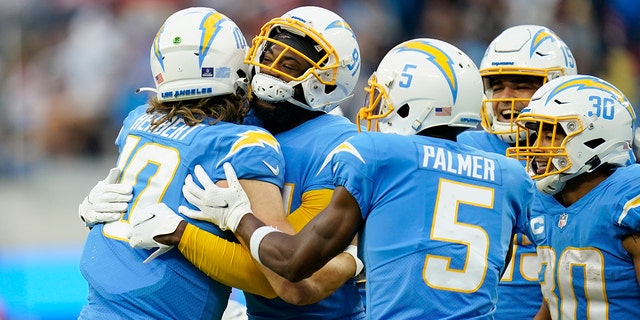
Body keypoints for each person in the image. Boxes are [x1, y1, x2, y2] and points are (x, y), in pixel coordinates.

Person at [180, 38, 535, 319]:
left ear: (415, 103)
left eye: (386, 97)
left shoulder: (378, 154)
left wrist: (237, 217)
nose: (378, 108)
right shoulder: (510, 173)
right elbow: (495, 267)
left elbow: (292, 264)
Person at [80, 5, 366, 319]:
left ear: (326, 83)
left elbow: (291, 277)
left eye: (290, 65)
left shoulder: (336, 148)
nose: (269, 72)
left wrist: (193, 233)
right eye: (268, 57)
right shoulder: (242, 120)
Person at [456, 25, 577, 319]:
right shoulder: (461, 147)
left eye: (521, 84)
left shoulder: (584, 157)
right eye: (497, 86)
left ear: (559, 87)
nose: (504, 97)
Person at [504, 74, 640, 319]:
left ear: (594, 138)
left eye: (551, 135)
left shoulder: (627, 198)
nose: (536, 147)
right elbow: (557, 301)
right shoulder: (542, 204)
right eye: (536, 135)